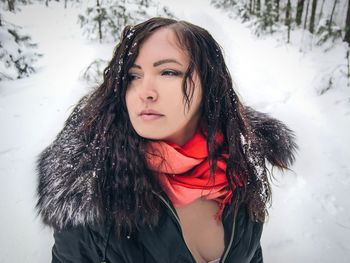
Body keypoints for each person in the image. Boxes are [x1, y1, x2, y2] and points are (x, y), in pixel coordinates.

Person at [36, 17, 297, 263]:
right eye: (133, 76)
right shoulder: (93, 195)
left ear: (209, 83)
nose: (145, 92)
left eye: (168, 72)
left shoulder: (241, 165)